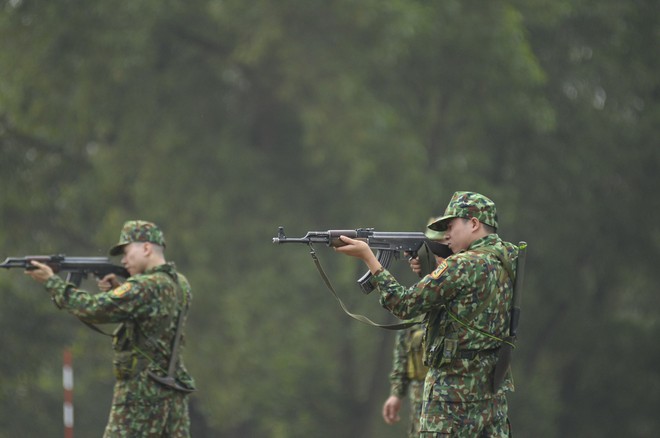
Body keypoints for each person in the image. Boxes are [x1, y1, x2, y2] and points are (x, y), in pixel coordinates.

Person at [336, 192, 518, 437]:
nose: (446, 235)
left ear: (474, 223)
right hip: (491, 395)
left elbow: (405, 304)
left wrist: (370, 258)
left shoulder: (461, 265)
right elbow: (464, 302)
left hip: (452, 399)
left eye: (451, 226)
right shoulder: (508, 260)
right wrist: (433, 271)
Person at [25, 220, 196, 437]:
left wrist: (52, 282)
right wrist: (119, 289)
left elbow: (92, 309)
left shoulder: (145, 286)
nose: (123, 261)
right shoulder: (180, 284)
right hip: (173, 395)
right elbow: (152, 317)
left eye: (126, 252)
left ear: (145, 248)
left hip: (141, 396)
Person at [382, 222, 451, 437]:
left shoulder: (454, 288)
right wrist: (396, 392)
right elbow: (403, 345)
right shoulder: (421, 295)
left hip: (447, 399)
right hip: (419, 398)